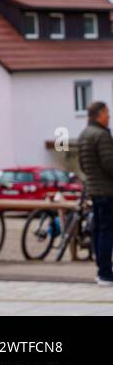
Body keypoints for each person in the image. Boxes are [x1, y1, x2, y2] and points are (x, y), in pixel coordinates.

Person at [78, 101, 113, 285]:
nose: (109, 117)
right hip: (107, 190)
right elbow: (109, 164)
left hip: (93, 189)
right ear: (99, 115)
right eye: (107, 114)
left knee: (99, 231)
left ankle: (102, 270)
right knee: (107, 231)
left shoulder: (84, 134)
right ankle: (106, 272)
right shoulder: (101, 135)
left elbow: (83, 165)